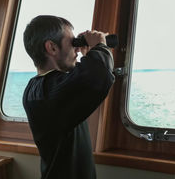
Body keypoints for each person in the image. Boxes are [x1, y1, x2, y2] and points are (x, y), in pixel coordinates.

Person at [22, 15, 115, 179]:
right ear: (52, 48)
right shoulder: (45, 92)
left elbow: (81, 78)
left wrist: (91, 52)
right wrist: (99, 45)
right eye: (73, 43)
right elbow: (98, 76)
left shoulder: (44, 87)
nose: (77, 49)